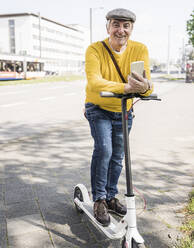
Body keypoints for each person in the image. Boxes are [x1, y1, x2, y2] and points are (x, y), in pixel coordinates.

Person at [85, 8, 153, 226]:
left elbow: (147, 85)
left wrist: (145, 87)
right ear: (108, 27)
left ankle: (111, 196)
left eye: (126, 26)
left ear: (131, 28)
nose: (120, 30)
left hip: (124, 110)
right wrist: (125, 87)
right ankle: (99, 200)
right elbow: (95, 81)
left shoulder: (140, 49)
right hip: (99, 107)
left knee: (117, 156)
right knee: (104, 150)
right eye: (116, 24)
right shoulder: (94, 49)